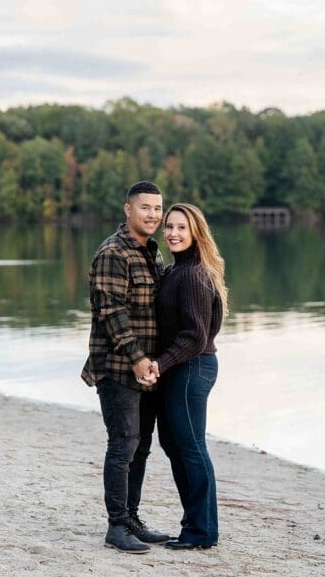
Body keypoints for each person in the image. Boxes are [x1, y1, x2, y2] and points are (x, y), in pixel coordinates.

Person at [80, 180, 171, 554]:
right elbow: (111, 311)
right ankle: (116, 525)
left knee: (142, 446)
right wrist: (136, 359)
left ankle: (132, 518)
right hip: (118, 367)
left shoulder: (153, 253)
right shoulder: (113, 253)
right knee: (123, 444)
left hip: (146, 367)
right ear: (128, 210)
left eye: (157, 208)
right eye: (145, 207)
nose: (152, 214)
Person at [146, 203, 226, 550]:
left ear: (196, 232)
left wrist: (159, 364)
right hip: (181, 367)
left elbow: (196, 335)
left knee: (191, 448)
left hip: (192, 367)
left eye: (181, 227)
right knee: (175, 445)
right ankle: (195, 522)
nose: (173, 233)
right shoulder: (177, 271)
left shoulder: (193, 274)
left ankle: (203, 531)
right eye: (169, 227)